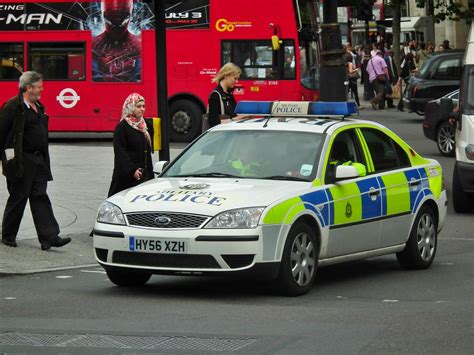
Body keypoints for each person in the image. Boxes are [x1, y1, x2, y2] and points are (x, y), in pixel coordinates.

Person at [0, 71, 71, 250]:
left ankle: (49, 237)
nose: (42, 89)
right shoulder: (12, 106)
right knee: (18, 197)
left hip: (38, 160)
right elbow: (2, 135)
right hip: (21, 161)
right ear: (28, 87)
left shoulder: (38, 106)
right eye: (39, 86)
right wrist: (7, 160)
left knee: (40, 196)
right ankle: (8, 236)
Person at [108, 93, 154, 197]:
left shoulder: (146, 125)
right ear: (130, 107)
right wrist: (132, 170)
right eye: (138, 106)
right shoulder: (122, 127)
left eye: (143, 106)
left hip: (145, 176)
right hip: (128, 177)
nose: (142, 109)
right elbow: (120, 153)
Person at [92, 0, 141, 82]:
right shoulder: (93, 45)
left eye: (122, 17)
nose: (117, 24)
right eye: (112, 17)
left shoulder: (140, 45)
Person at [208, 63, 246, 128]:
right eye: (235, 78)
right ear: (226, 76)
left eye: (237, 79)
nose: (237, 81)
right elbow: (213, 122)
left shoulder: (229, 94)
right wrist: (234, 119)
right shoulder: (215, 95)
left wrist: (243, 116)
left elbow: (233, 114)